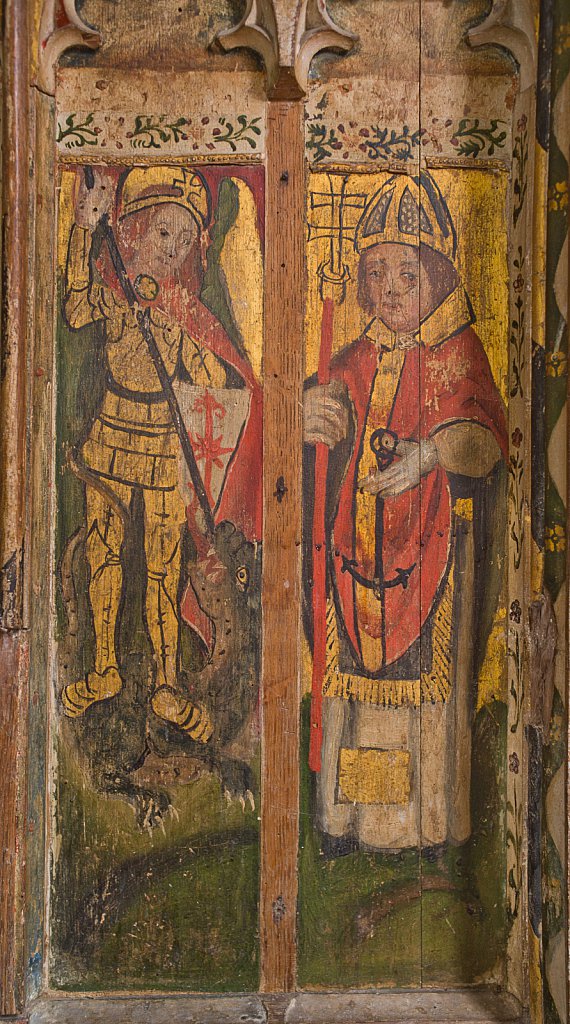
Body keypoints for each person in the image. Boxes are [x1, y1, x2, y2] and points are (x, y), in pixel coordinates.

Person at [303, 171, 508, 853]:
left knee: (424, 689)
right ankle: (350, 823)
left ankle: (422, 826)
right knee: (356, 695)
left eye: (406, 271)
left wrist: (428, 456)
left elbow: (486, 440)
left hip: (431, 557)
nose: (390, 288)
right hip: (355, 558)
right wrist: (312, 412)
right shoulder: (357, 355)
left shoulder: (458, 350)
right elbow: (319, 431)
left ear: (439, 274)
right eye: (377, 272)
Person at [61, 165, 262, 738]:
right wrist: (81, 230)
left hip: (160, 442)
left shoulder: (183, 311)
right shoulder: (116, 297)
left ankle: (167, 685)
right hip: (111, 429)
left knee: (162, 565)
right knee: (104, 546)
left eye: (181, 237)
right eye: (159, 232)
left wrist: (199, 357)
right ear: (134, 233)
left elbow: (208, 378)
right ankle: (105, 668)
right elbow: (75, 309)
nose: (169, 248)